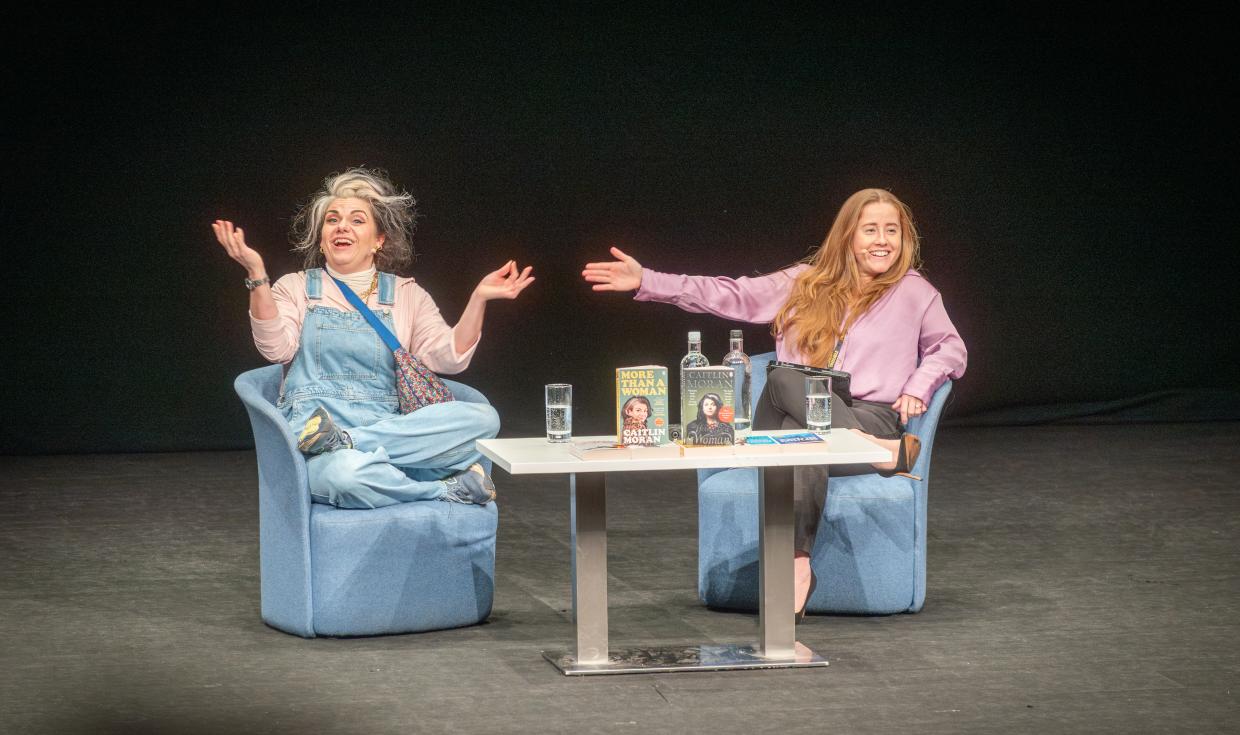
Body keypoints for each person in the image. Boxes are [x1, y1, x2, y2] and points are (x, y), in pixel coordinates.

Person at [583, 188, 966, 617]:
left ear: (904, 239)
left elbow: (950, 349)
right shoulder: (805, 282)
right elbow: (731, 294)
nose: (882, 240)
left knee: (797, 436)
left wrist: (918, 385)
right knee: (786, 380)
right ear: (848, 237)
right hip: (806, 408)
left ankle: (798, 565)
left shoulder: (916, 293)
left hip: (868, 413)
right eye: (870, 229)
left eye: (891, 231)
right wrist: (649, 281)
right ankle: (878, 454)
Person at [214, 167, 534, 509]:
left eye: (356, 220)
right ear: (322, 239)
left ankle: (348, 441)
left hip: (386, 429)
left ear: (379, 240)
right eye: (332, 220)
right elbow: (273, 348)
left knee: (484, 419)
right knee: (347, 476)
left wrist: (478, 299)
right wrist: (257, 276)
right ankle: (440, 488)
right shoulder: (295, 288)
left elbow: (449, 359)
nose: (341, 227)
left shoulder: (406, 294)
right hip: (315, 435)